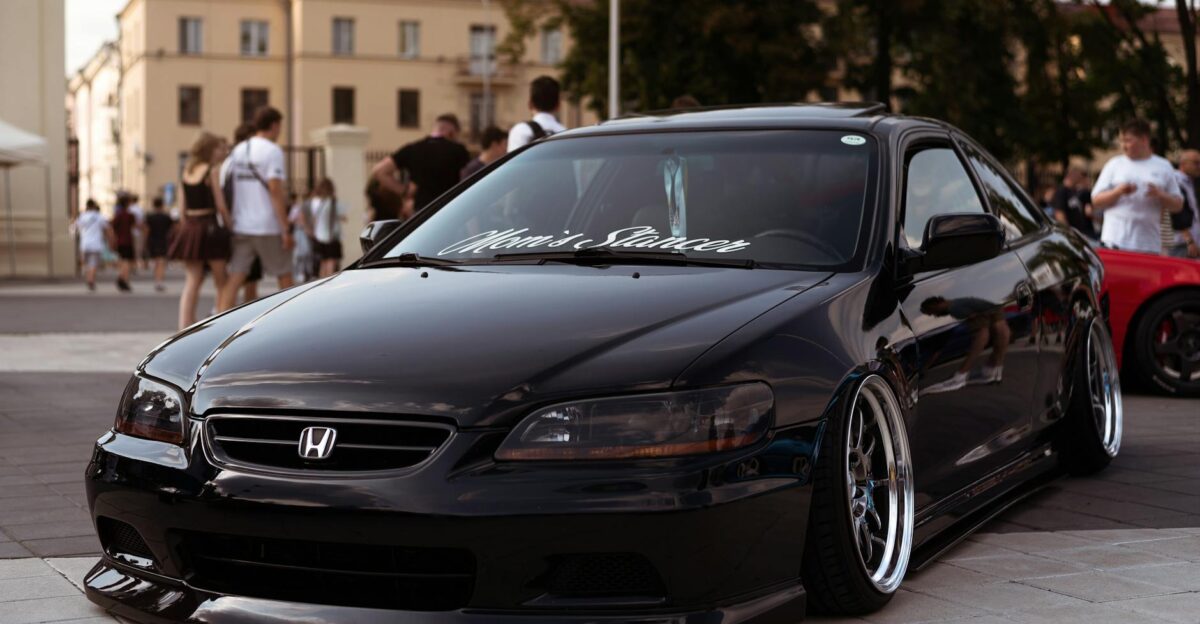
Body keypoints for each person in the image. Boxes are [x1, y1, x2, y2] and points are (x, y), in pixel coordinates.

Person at [218, 106, 293, 312]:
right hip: (267, 225)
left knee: (236, 277)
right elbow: (275, 189)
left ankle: (221, 317)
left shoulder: (239, 150)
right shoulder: (272, 151)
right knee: (284, 275)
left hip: (242, 224)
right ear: (274, 125)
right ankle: (292, 318)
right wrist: (285, 228)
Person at [1092, 119, 1184, 254]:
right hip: (1115, 241)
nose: (1123, 145)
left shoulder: (1163, 166)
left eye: (1128, 140)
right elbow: (1096, 200)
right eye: (1121, 141)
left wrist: (1160, 194)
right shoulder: (1114, 164)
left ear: (1144, 140)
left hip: (1148, 243)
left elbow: (1178, 205)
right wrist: (1117, 192)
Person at [171, 132, 233, 328]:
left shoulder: (186, 171)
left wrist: (186, 228)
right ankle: (221, 322)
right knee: (221, 280)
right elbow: (221, 206)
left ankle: (185, 324)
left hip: (190, 227)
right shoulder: (211, 171)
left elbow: (182, 208)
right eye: (218, 148)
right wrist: (230, 226)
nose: (221, 152)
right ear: (209, 149)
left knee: (192, 280)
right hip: (209, 227)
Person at [370, 113, 469, 216]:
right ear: (452, 133)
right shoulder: (459, 151)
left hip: (421, 212)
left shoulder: (413, 149)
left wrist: (403, 191)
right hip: (449, 209)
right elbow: (467, 178)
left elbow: (379, 171)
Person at [507, 75, 566, 151]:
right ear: (558, 105)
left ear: (530, 104)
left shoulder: (521, 131)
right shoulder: (567, 133)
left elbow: (514, 158)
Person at [308, 178, 347, 277]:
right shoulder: (334, 202)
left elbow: (313, 219)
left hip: (319, 236)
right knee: (331, 262)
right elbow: (344, 218)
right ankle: (330, 282)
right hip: (332, 237)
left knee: (322, 263)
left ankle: (322, 282)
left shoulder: (315, 202)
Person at [74, 199, 112, 292]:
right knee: (93, 263)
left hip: (85, 243)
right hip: (96, 243)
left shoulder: (82, 216)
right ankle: (91, 280)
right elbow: (107, 229)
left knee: (86, 263)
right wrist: (110, 239)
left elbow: (75, 227)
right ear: (94, 206)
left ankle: (88, 279)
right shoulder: (99, 216)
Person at [1169, 149, 1200, 258]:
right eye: (1196, 163)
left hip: (1188, 242)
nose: (1199, 166)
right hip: (1181, 243)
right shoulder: (1177, 181)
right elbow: (1177, 213)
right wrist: (1189, 240)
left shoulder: (1188, 181)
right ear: (1183, 164)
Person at [1052, 166, 1097, 239]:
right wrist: (1069, 233)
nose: (1080, 179)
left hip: (1082, 233)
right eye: (1078, 176)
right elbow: (1059, 215)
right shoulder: (1061, 191)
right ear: (1072, 176)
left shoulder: (1074, 191)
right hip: (1074, 235)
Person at [145, 196, 174, 292]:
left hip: (153, 241)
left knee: (156, 262)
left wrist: (146, 241)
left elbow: (146, 230)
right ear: (162, 205)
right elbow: (172, 230)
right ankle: (159, 281)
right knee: (161, 262)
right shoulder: (166, 217)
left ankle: (157, 280)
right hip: (163, 241)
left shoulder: (150, 217)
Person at [110, 193, 138, 292]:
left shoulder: (118, 215)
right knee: (127, 262)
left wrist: (113, 239)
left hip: (120, 241)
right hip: (127, 241)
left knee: (122, 260)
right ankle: (123, 279)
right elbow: (135, 226)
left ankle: (123, 278)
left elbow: (112, 228)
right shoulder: (129, 215)